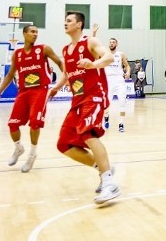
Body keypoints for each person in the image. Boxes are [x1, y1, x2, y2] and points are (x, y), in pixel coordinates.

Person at [48, 11, 120, 204]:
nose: (65, 23)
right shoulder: (65, 50)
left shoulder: (90, 42)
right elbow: (66, 73)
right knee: (63, 144)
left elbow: (109, 58)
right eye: (65, 20)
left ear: (79, 24)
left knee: (88, 133)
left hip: (94, 95)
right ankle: (103, 168)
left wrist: (93, 64)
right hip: (77, 100)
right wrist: (55, 87)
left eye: (69, 20)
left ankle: (109, 183)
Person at [0, 25, 63, 173]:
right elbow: (10, 75)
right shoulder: (17, 54)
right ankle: (18, 148)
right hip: (23, 91)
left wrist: (65, 79)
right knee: (12, 125)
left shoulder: (44, 49)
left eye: (37, 32)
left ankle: (32, 154)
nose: (35, 34)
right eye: (32, 31)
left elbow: (60, 63)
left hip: (40, 90)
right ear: (24, 34)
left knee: (35, 124)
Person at [93, 24, 131, 132]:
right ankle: (106, 117)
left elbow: (127, 65)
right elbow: (94, 49)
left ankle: (121, 124)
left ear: (116, 44)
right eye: (110, 42)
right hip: (108, 80)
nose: (111, 43)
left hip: (119, 80)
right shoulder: (105, 53)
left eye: (113, 42)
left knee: (122, 101)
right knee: (106, 104)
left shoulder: (121, 54)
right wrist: (94, 33)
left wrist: (128, 71)